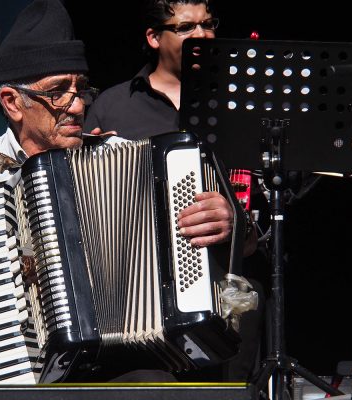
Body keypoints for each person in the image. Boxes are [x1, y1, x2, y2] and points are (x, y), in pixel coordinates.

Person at [0, 0, 238, 385]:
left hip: (105, 366)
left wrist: (222, 219)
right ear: (12, 102)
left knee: (155, 384)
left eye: (81, 89)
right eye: (57, 92)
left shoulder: (123, 157)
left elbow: (205, 242)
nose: (76, 106)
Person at [84, 0, 265, 382]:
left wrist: (236, 221)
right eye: (185, 28)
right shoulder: (113, 107)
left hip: (228, 288)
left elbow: (267, 215)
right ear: (153, 37)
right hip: (135, 296)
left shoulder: (240, 103)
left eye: (207, 24)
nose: (201, 36)